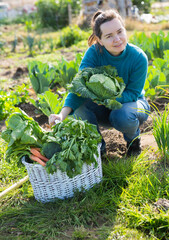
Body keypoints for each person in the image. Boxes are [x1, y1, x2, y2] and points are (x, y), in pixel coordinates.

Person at [49, 9, 150, 157]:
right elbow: (79, 87)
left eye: (119, 32)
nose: (117, 39)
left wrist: (108, 100)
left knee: (122, 115)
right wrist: (61, 115)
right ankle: (97, 147)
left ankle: (133, 141)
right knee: (80, 105)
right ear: (100, 40)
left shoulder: (138, 57)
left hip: (133, 105)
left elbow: (133, 93)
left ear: (125, 30)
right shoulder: (94, 53)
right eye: (109, 36)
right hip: (103, 107)